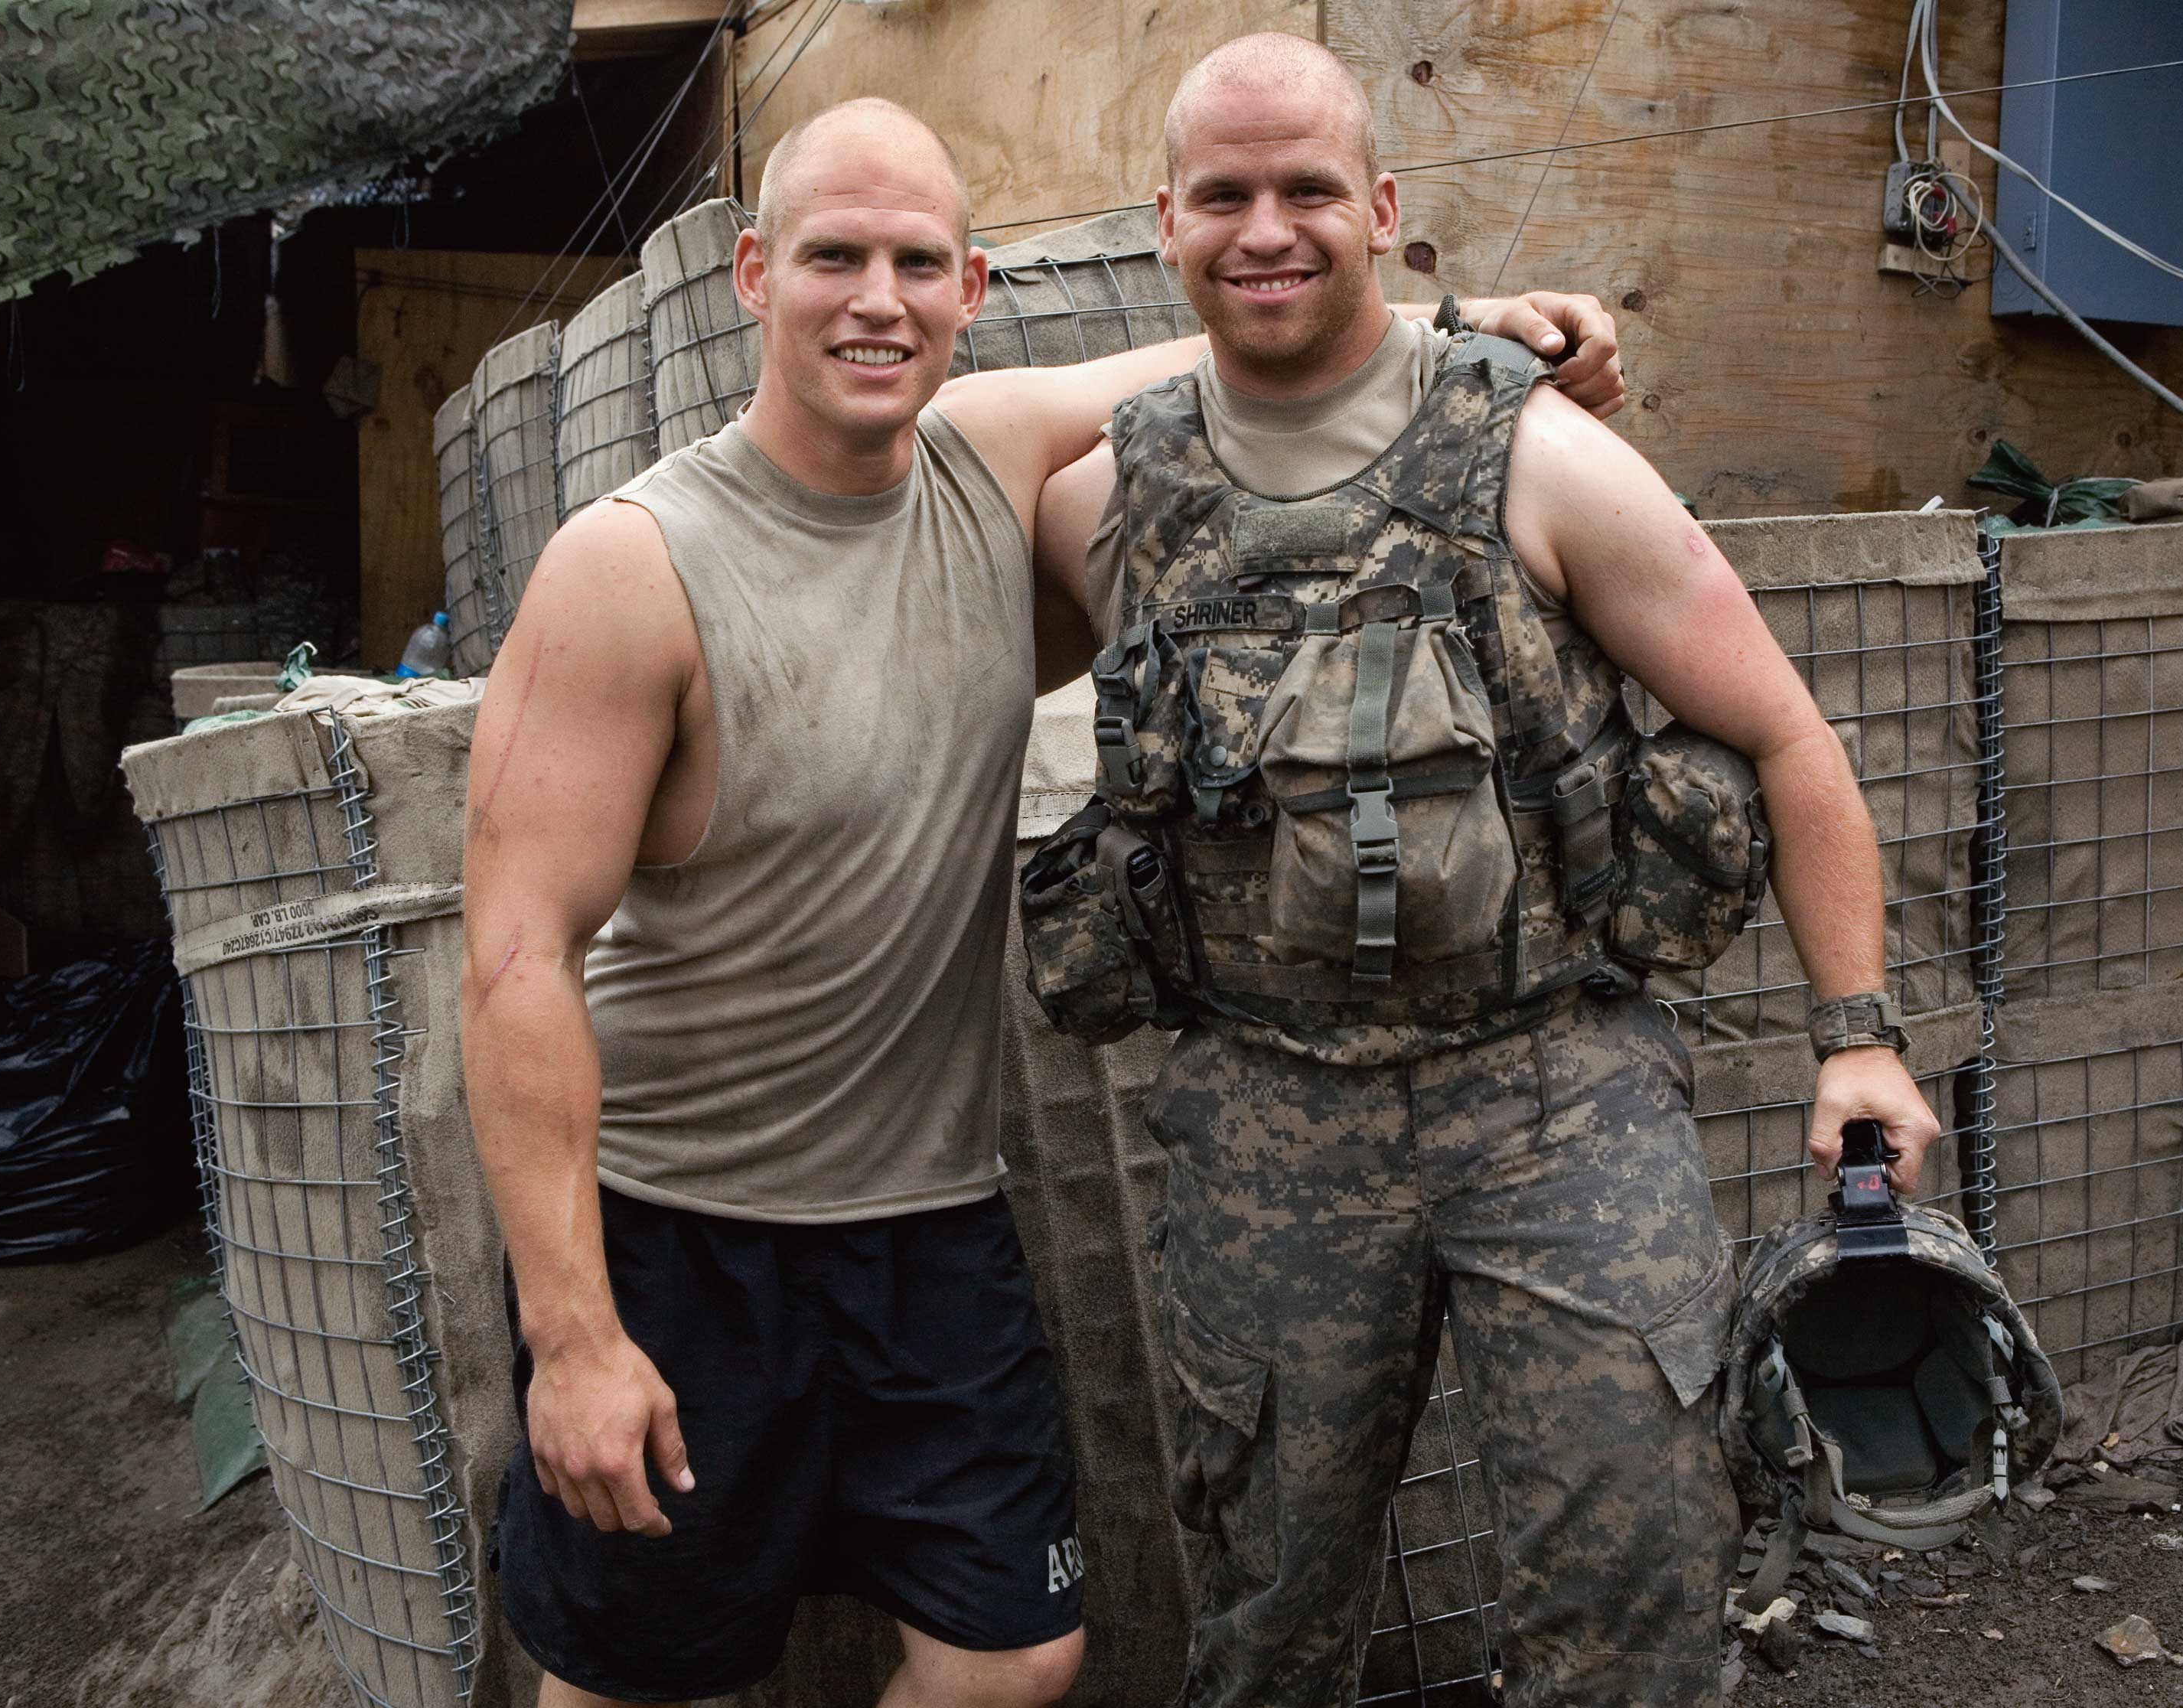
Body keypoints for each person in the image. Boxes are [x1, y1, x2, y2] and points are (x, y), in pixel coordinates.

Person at [458, 93, 1625, 1708]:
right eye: (834, 258)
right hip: (682, 1234)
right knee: (641, 1677)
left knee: (1014, 1655)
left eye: (917, 262)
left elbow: (1233, 360)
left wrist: (1463, 329)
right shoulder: (632, 564)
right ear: (749, 276)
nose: (878, 299)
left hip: (930, 1227)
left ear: (972, 288)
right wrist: (574, 1333)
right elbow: (517, 962)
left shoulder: (986, 459)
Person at [1028, 35, 1944, 1708]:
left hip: (1555, 1088)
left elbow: (1794, 742)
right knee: (1270, 1604)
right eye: (1222, 195)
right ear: (1164, 223)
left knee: (1634, 1571)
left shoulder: (1547, 460)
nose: (1266, 229)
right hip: (1264, 1109)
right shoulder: (1100, 496)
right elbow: (892, 486)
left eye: (1308, 189)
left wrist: (1860, 1032)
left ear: (1382, 209)